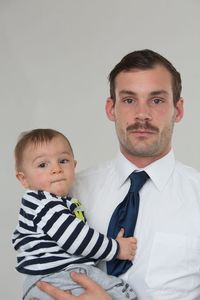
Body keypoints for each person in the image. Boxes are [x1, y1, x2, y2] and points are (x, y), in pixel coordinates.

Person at [71, 49, 200, 300]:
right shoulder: (73, 192)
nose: (142, 114)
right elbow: (40, 277)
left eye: (157, 100)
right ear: (111, 109)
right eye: (129, 100)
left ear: (179, 109)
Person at [12, 128, 137, 300]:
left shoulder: (58, 201)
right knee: (121, 292)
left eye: (63, 161)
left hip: (53, 278)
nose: (56, 169)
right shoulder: (44, 204)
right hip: (58, 277)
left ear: (74, 166)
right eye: (43, 165)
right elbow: (77, 239)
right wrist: (116, 248)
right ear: (23, 179)